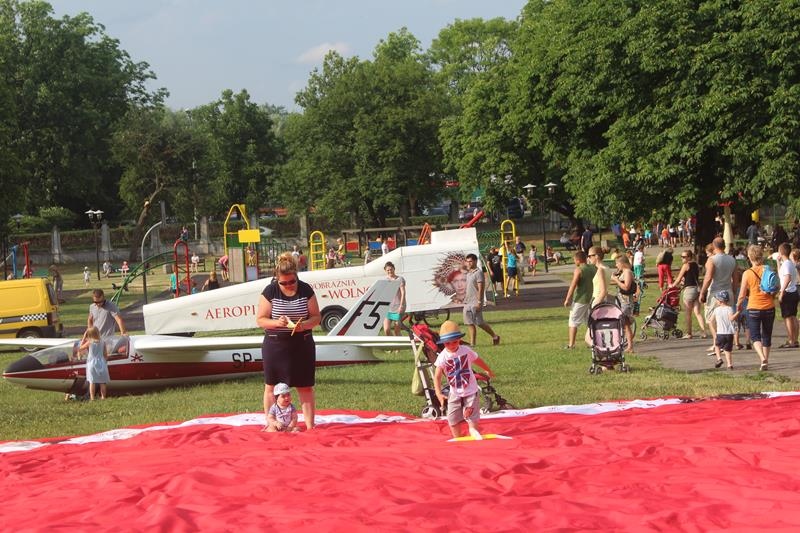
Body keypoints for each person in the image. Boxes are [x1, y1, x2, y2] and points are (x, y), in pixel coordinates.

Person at [257, 252, 321, 431]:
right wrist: (276, 323)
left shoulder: (306, 290)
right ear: (277, 280)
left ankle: (310, 426)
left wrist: (304, 325)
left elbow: (316, 317)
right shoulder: (270, 291)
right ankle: (272, 424)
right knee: (271, 386)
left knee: (305, 386)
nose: (288, 285)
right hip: (275, 344)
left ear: (296, 276)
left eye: (292, 282)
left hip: (302, 343)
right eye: (283, 283)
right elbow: (261, 319)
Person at [433, 320, 495, 439]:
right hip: (454, 392)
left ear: (459, 339)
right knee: (452, 418)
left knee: (471, 415)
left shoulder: (465, 351)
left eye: (455, 342)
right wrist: (438, 393)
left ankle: (473, 430)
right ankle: (458, 438)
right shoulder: (443, 356)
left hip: (470, 389)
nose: (452, 346)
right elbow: (437, 376)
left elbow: (477, 360)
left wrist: (488, 370)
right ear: (443, 343)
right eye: (447, 343)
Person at [736, 244, 776, 371]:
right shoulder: (768, 269)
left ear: (749, 257)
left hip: (753, 307)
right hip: (769, 306)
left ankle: (762, 358)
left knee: (755, 336)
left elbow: (742, 294)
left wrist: (738, 305)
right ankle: (766, 360)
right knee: (767, 335)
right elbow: (775, 287)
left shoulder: (747, 273)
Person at [700, 237, 738, 353]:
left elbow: (708, 278)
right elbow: (735, 278)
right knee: (726, 318)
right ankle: (722, 343)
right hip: (728, 291)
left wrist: (702, 292)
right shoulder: (732, 260)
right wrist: (733, 291)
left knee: (711, 319)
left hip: (715, 292)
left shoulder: (712, 260)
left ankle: (718, 342)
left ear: (714, 246)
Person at [463, 253, 500, 346]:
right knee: (469, 323)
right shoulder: (468, 273)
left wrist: (479, 302)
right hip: (467, 302)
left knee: (479, 322)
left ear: (475, 261)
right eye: (467, 261)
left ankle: (495, 336)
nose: (468, 263)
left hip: (475, 301)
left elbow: (481, 288)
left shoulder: (478, 273)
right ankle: (473, 344)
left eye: (470, 261)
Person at [670, 249, 708, 339]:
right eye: (681, 256)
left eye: (684, 257)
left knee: (688, 313)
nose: (682, 258)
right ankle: (703, 332)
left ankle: (689, 333)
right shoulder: (695, 265)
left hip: (689, 290)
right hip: (697, 289)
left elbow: (679, 278)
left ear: (689, 257)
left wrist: (672, 285)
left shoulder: (686, 265)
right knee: (697, 312)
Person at [563, 251, 596, 349]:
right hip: (590, 298)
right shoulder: (593, 268)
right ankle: (593, 341)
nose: (574, 262)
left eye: (574, 260)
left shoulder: (579, 270)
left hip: (580, 299)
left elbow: (573, 285)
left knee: (573, 321)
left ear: (578, 260)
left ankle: (571, 344)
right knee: (588, 321)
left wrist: (567, 298)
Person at [611, 255, 637, 353]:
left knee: (625, 323)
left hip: (626, 301)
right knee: (625, 324)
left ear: (622, 263)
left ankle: (629, 346)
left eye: (617, 263)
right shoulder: (624, 272)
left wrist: (616, 280)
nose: (616, 265)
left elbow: (626, 287)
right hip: (621, 300)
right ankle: (628, 346)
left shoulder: (628, 272)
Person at [79, 326, 110, 400]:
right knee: (102, 382)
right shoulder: (103, 342)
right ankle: (103, 397)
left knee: (92, 381)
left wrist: (83, 338)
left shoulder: (89, 342)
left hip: (92, 363)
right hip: (102, 362)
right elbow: (105, 355)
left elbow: (80, 348)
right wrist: (105, 361)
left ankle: (92, 397)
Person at [777, 243, 798, 348]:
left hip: (788, 292)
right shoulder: (789, 263)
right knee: (793, 316)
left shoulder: (786, 265)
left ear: (781, 252)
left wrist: (782, 291)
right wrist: (778, 262)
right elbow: (781, 275)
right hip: (793, 291)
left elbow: (787, 278)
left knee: (787, 317)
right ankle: (795, 339)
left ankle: (791, 340)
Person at [711, 290, 738, 370]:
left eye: (716, 299)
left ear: (720, 301)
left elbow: (711, 321)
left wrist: (714, 331)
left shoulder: (716, 310)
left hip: (720, 333)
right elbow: (731, 318)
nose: (716, 301)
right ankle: (729, 364)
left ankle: (719, 358)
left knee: (717, 346)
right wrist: (738, 312)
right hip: (729, 333)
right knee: (727, 350)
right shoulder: (729, 309)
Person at [383, 262, 406, 337]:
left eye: (391, 269)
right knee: (386, 330)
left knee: (397, 331)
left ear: (394, 269)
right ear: (385, 271)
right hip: (388, 308)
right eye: (388, 270)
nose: (390, 271)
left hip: (398, 307)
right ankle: (393, 343)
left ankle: (399, 344)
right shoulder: (385, 280)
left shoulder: (400, 279)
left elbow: (403, 293)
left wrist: (401, 306)